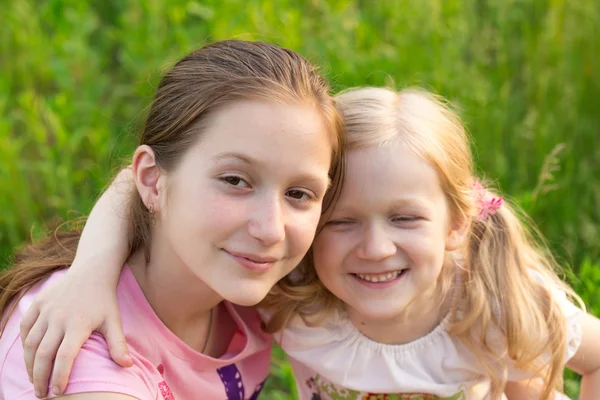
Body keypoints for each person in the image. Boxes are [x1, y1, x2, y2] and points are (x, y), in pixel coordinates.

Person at [15, 87, 600, 399]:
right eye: (341, 221)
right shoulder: (295, 298)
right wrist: (90, 274)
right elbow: (135, 182)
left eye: (405, 218)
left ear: (456, 224)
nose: (374, 248)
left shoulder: (498, 306)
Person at [0, 39, 345, 399]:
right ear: (152, 180)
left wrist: (93, 265)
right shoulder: (81, 345)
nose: (271, 230)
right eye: (234, 181)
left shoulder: (255, 284)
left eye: (299, 194)